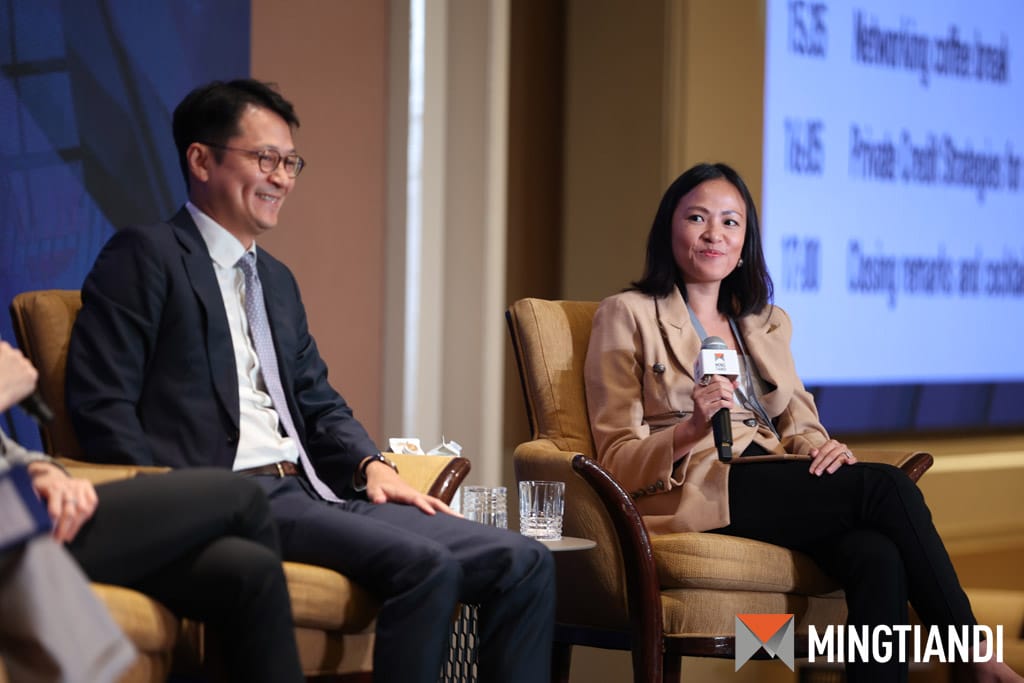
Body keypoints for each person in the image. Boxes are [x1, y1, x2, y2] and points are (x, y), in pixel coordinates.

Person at [65, 78, 555, 683]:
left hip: (311, 493)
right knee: (427, 566)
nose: (282, 178)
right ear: (201, 160)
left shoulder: (275, 281)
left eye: (290, 162)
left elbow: (317, 401)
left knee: (524, 561)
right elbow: (103, 404)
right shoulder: (146, 256)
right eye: (265, 158)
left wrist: (372, 466)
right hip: (229, 498)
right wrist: (168, 508)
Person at [582, 162, 1023, 683]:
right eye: (697, 218)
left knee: (877, 555)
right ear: (669, 229)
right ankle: (972, 657)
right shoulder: (627, 313)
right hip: (698, 486)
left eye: (730, 222)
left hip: (773, 475)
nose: (714, 233)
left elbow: (801, 423)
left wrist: (821, 448)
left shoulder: (766, 323)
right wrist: (689, 430)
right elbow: (614, 460)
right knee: (886, 487)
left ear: (745, 242)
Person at [0, 341, 303, 682]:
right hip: (12, 532)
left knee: (250, 570)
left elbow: (7, 452)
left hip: (28, 511)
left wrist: (44, 471)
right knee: (243, 497)